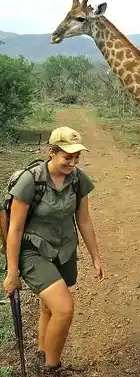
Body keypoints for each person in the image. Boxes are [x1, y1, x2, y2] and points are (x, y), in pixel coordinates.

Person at [2, 126, 105, 376]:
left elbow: (84, 220)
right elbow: (14, 229)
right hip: (32, 251)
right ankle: (51, 368)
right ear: (51, 151)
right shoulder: (31, 180)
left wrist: (96, 257)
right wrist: (12, 271)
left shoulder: (78, 179)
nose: (73, 162)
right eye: (67, 156)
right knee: (64, 308)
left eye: (77, 157)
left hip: (63, 248)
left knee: (49, 307)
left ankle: (42, 352)